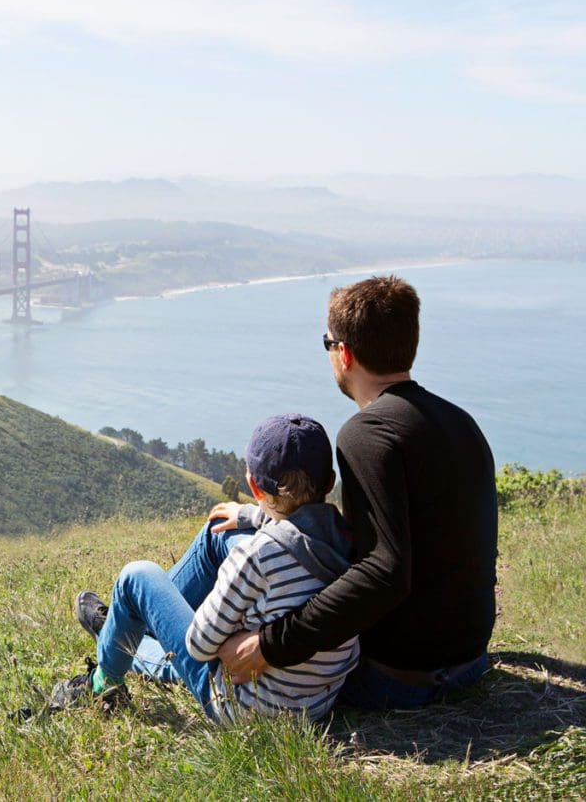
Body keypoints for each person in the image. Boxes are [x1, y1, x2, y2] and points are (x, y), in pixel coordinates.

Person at [217, 275, 498, 709]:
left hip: (401, 679)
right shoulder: (460, 422)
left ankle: (140, 639)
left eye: (328, 343)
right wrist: (257, 516)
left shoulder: (367, 434)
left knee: (224, 545)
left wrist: (271, 646)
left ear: (343, 353)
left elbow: (385, 570)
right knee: (244, 533)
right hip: (468, 662)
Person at [50, 414, 360, 722]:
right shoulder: (352, 543)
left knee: (137, 575)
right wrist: (251, 516)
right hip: (314, 705)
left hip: (241, 705)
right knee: (221, 531)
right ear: (330, 482)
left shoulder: (256, 557)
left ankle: (105, 677)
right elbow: (299, 530)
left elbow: (198, 646)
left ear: (253, 485)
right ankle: (128, 625)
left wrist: (232, 623)